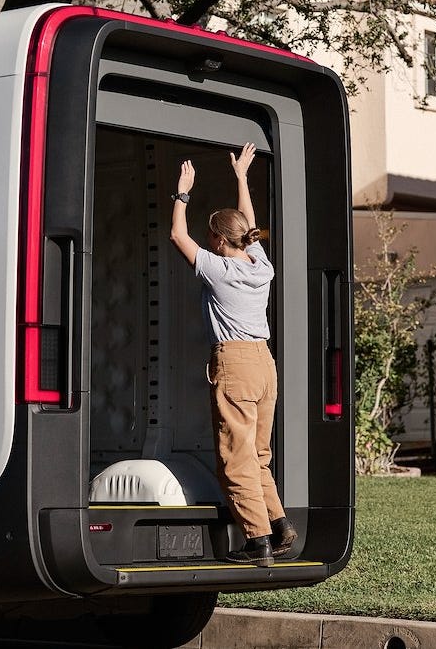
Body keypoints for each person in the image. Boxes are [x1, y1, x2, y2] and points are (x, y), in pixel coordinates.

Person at [168, 142, 297, 567]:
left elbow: (176, 236)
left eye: (212, 236)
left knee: (235, 457)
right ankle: (279, 525)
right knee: (258, 453)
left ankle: (257, 541)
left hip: (236, 364)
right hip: (264, 364)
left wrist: (182, 194)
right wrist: (241, 177)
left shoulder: (218, 269)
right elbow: (251, 225)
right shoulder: (262, 265)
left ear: (220, 241)